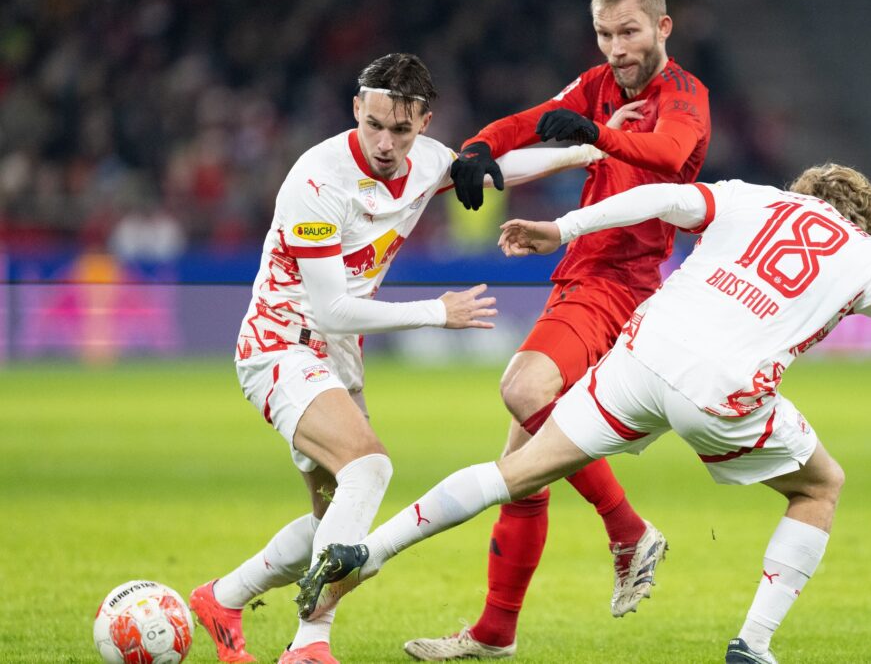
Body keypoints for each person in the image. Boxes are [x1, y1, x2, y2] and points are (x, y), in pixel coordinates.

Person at [292, 164, 871, 663]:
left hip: (644, 349)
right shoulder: (869, 257)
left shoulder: (753, 196)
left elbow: (664, 200)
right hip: (724, 388)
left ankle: (371, 548)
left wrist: (564, 225)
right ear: (869, 220)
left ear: (806, 191)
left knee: (517, 471)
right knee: (818, 486)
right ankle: (753, 644)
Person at [189, 53, 610, 664]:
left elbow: (498, 168)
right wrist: (438, 312)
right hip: (281, 344)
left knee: (333, 521)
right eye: (375, 125)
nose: (386, 144)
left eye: (402, 131)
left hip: (339, 357)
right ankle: (309, 645)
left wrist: (587, 153)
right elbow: (332, 308)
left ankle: (223, 598)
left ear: (424, 123)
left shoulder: (424, 162)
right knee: (371, 469)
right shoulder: (317, 179)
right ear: (357, 108)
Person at [409, 0, 711, 657]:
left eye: (629, 32)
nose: (616, 48)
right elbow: (536, 118)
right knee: (522, 468)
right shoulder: (598, 84)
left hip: (619, 279)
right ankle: (494, 633)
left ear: (662, 26)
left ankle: (627, 528)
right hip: (583, 273)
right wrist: (477, 149)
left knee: (521, 389)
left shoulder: (686, 93)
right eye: (604, 33)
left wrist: (595, 135)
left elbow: (667, 153)